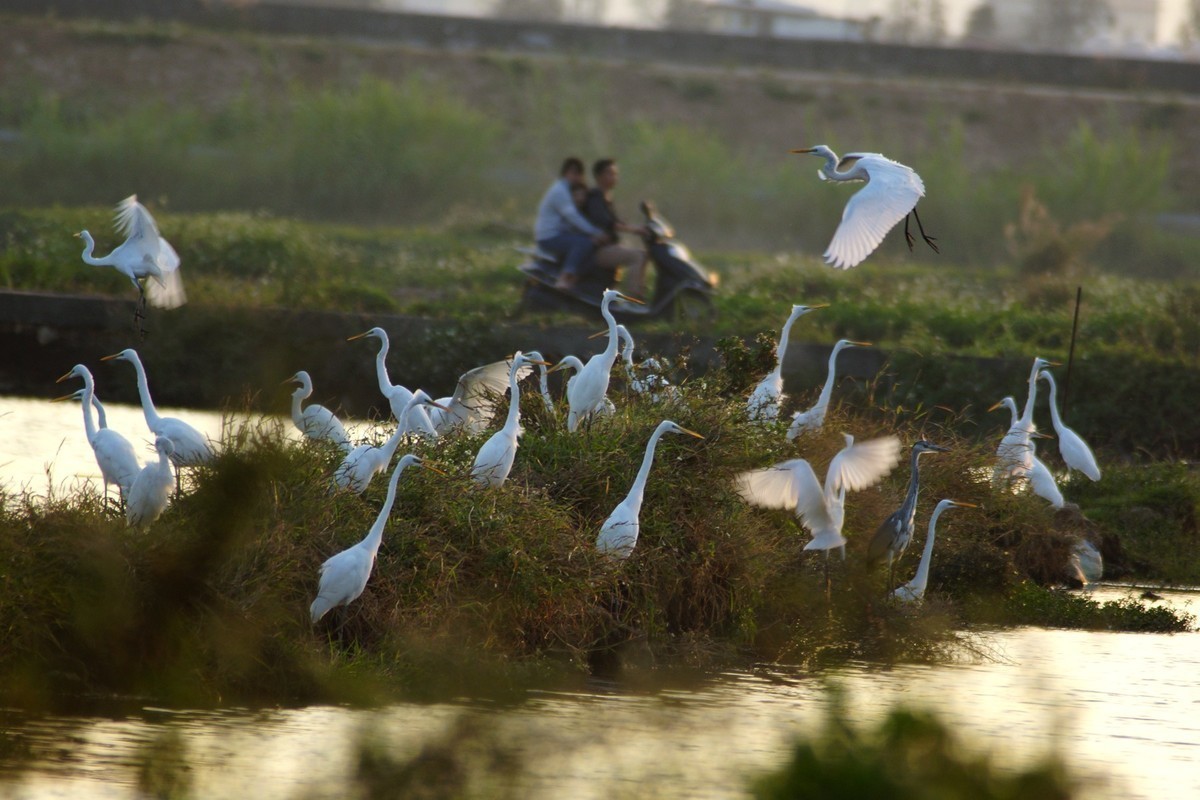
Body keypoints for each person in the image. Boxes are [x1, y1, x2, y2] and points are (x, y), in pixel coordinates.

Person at [534, 157, 608, 291]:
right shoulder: (560, 191)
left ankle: (575, 281)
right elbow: (573, 217)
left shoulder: (567, 189)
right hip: (550, 237)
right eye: (575, 174)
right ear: (567, 173)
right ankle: (564, 278)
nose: (578, 178)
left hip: (560, 234)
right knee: (583, 243)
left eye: (579, 174)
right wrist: (596, 232)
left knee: (592, 246)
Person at [583, 158, 649, 301]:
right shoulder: (595, 196)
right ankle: (633, 298)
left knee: (635, 251)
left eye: (615, 174)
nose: (614, 177)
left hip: (607, 247)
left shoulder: (605, 197)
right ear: (599, 176)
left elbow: (614, 221)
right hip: (598, 250)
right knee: (638, 255)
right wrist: (634, 229)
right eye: (610, 174)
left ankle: (634, 292)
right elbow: (607, 223)